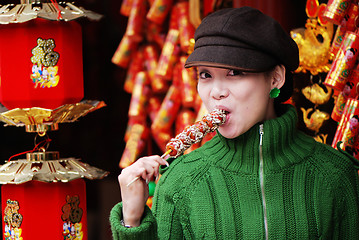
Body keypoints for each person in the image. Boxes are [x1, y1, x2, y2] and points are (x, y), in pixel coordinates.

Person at [110, 7, 359, 239]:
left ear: (275, 78)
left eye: (234, 72)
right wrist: (132, 221)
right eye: (205, 75)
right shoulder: (180, 181)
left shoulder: (334, 174)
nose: (216, 91)